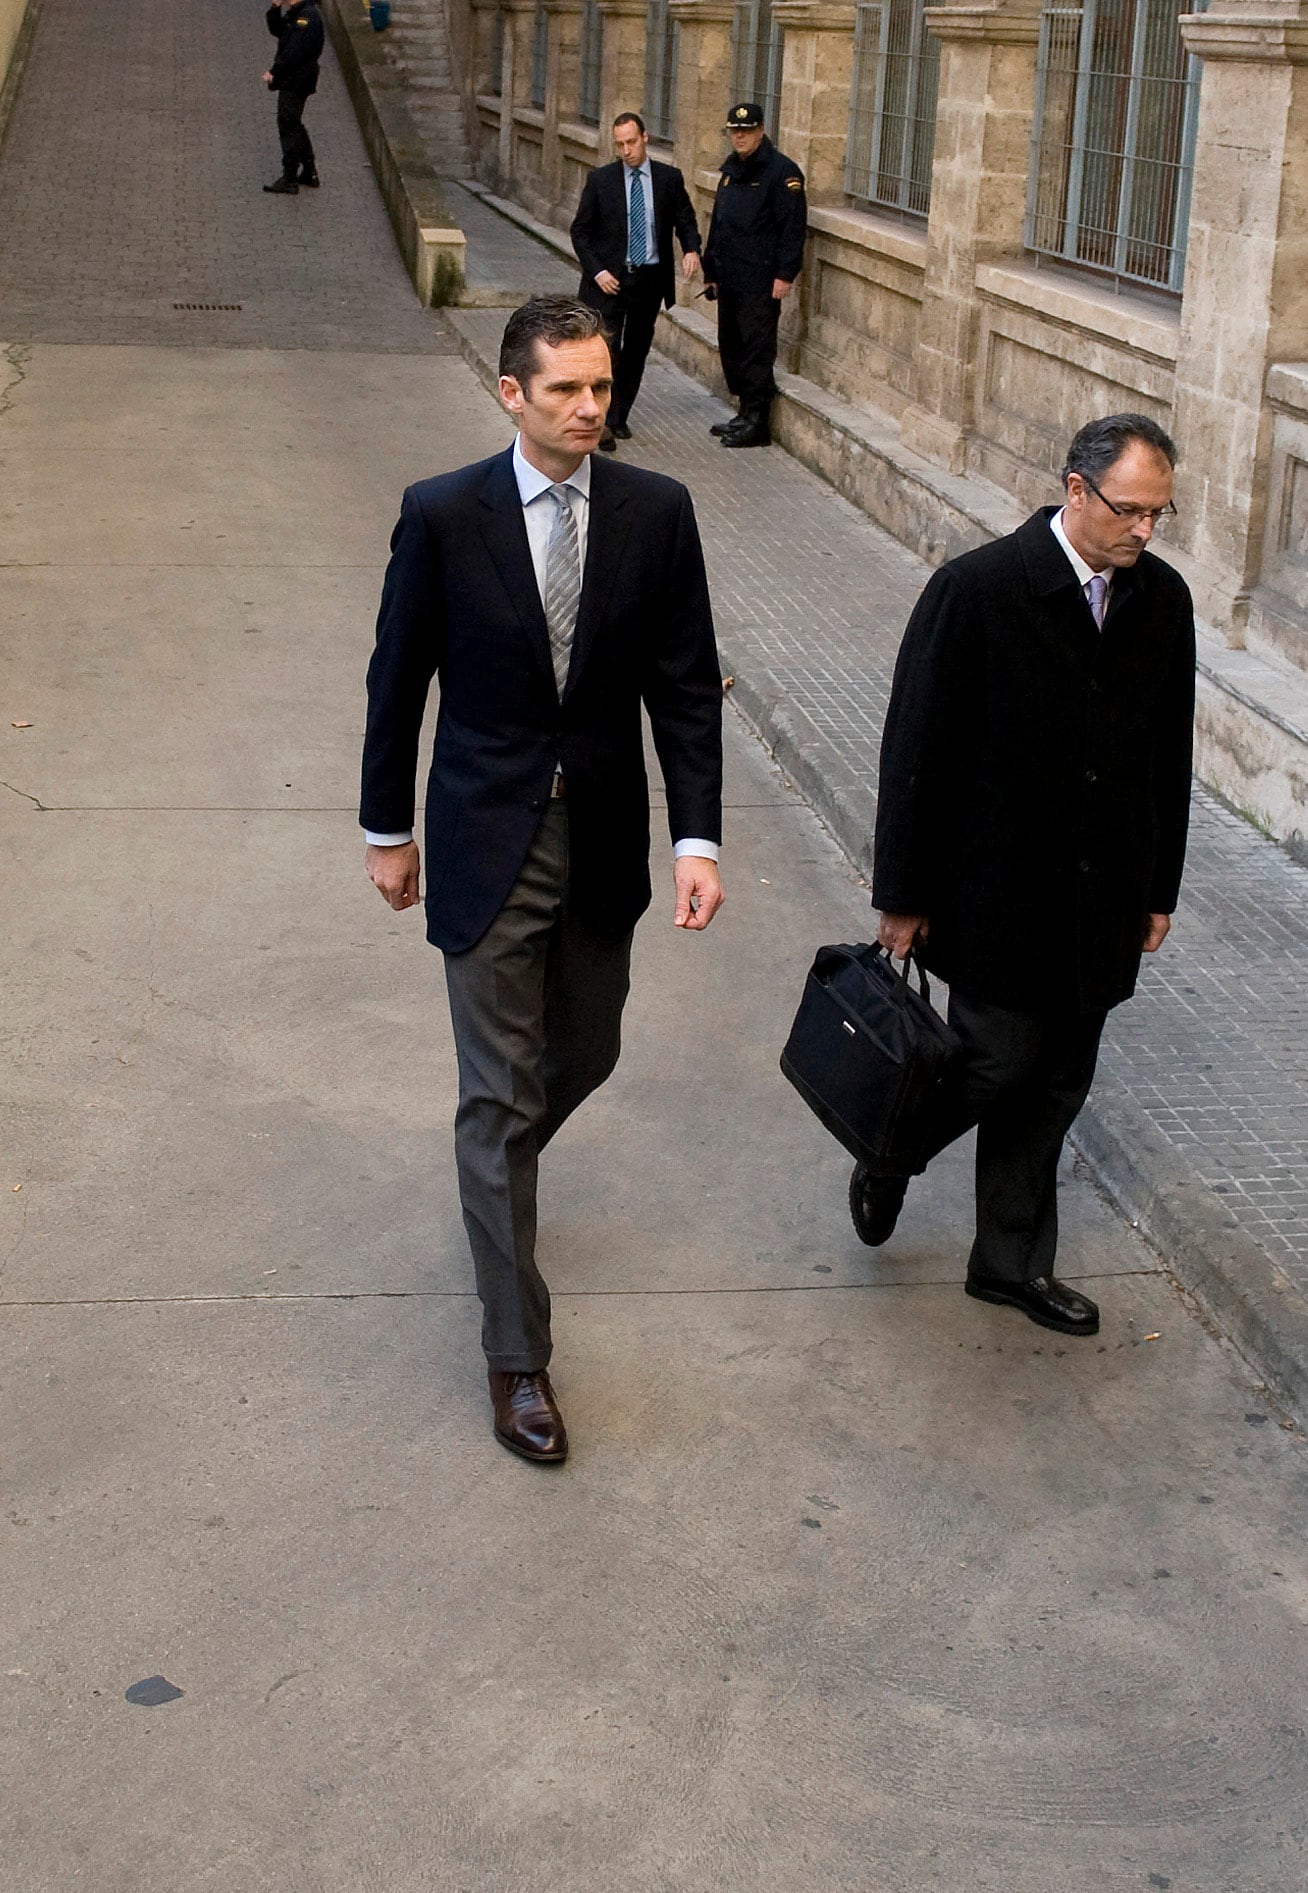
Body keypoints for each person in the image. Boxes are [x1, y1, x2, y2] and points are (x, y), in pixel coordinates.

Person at [358, 295, 726, 1465]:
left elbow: (683, 685)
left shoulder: (656, 514)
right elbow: (397, 679)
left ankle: (494, 1168)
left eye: (601, 388)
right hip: (481, 833)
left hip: (602, 840)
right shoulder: (443, 513)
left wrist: (697, 841)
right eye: (564, 389)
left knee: (589, 1049)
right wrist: (385, 828)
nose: (586, 409)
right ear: (511, 392)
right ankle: (517, 1358)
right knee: (499, 1090)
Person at [857, 413, 1196, 1335]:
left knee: (1057, 1083)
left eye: (1160, 515)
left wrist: (1159, 888)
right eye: (1130, 511)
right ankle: (889, 1151)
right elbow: (915, 751)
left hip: (1104, 897)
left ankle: (1009, 1265)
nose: (1144, 532)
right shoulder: (977, 589)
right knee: (998, 1062)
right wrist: (902, 894)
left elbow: (1171, 754)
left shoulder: (1163, 601)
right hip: (993, 893)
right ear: (1076, 491)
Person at [568, 112, 700, 451]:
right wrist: (598, 272)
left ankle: (618, 417)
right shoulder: (602, 180)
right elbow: (580, 232)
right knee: (606, 351)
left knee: (636, 350)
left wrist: (691, 249)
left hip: (649, 282)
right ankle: (601, 421)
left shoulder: (669, 179)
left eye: (631, 142)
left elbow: (685, 219)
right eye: (619, 145)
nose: (626, 150)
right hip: (609, 282)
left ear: (645, 137)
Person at [702, 101, 806, 448]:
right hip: (730, 277)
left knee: (756, 348)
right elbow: (719, 223)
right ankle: (744, 411)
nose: (740, 137)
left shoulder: (782, 173)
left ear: (761, 131)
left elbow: (792, 228)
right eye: (735, 131)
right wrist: (710, 269)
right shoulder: (731, 170)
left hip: (761, 281)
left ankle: (758, 421)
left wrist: (785, 274)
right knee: (732, 344)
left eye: (746, 131)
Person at [262, 0, 326, 195]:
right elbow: (278, 30)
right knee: (294, 123)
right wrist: (275, 8)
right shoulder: (297, 12)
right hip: (296, 77)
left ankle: (290, 178)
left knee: (288, 123)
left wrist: (275, 71)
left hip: (297, 78)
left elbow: (294, 51)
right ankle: (309, 171)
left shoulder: (307, 16)